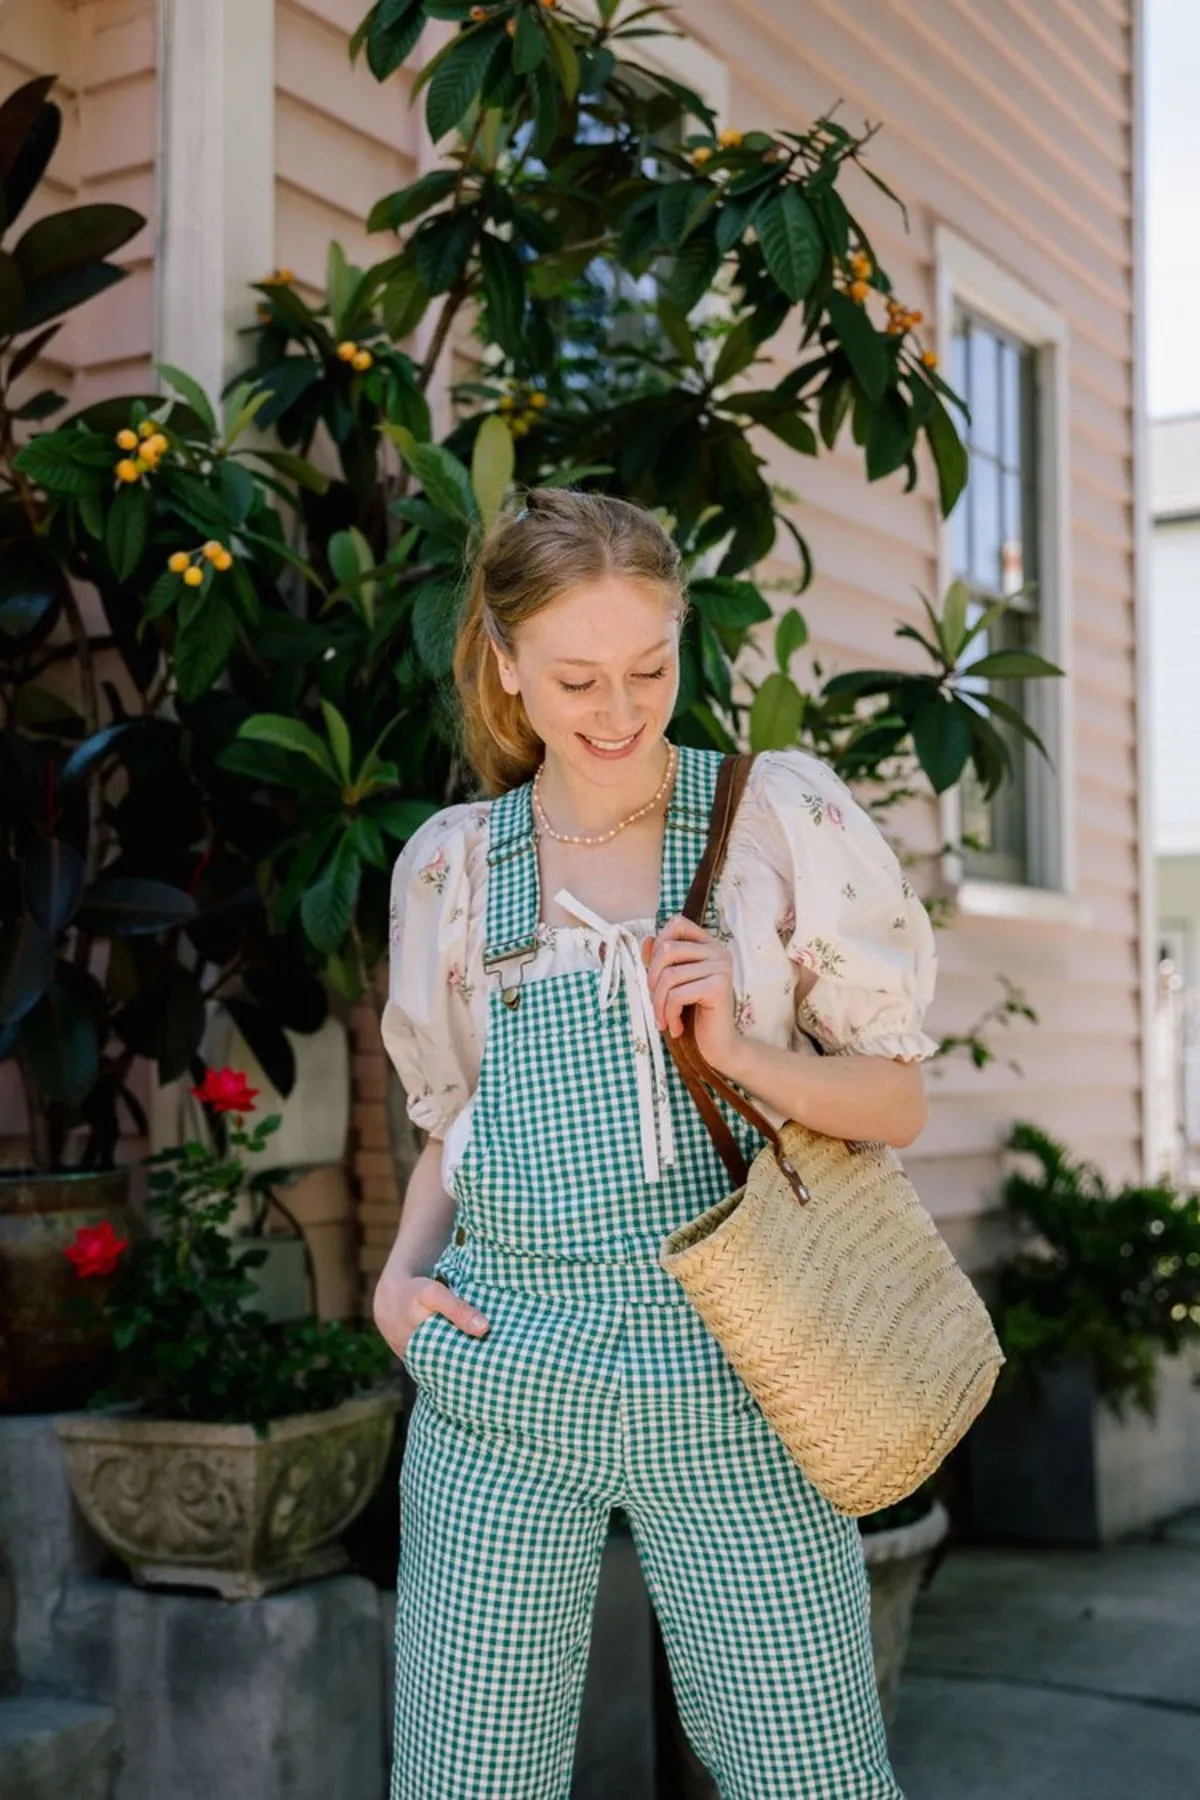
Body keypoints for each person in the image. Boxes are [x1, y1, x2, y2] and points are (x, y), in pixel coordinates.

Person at [374, 488, 937, 1800]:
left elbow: (898, 1103)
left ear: (686, 637)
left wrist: (742, 1052)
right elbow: (449, 1117)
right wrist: (399, 1282)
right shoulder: (452, 866)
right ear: (506, 665)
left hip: (739, 1375)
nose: (621, 713)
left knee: (815, 1779)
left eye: (650, 666)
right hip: (502, 1382)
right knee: (463, 1780)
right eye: (576, 678)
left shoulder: (779, 824)